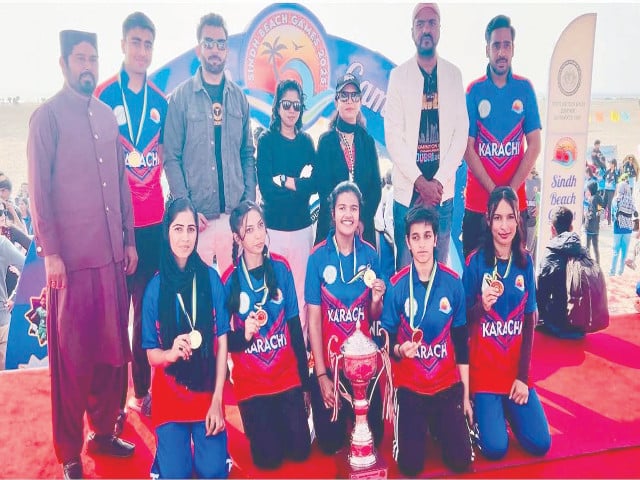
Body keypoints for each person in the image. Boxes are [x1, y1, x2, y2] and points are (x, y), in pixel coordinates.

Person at [27, 30, 138, 479]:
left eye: (93, 57)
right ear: (63, 63)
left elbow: (122, 183)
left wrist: (129, 240)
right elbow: (37, 193)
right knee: (72, 366)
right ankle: (70, 453)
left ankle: (104, 433)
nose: (87, 65)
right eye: (80, 58)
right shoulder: (46, 118)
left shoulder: (107, 116)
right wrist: (51, 253)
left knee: (113, 360)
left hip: (112, 261)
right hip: (70, 268)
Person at [95, 11, 168, 425]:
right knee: (114, 317)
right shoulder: (104, 97)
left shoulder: (160, 101)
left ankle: (143, 392)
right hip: (115, 228)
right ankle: (113, 404)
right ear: (123, 44)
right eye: (135, 42)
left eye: (148, 44)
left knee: (145, 315)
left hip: (153, 226)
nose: (142, 51)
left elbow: (168, 162)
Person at [142, 198, 230, 478]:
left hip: (205, 393)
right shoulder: (154, 288)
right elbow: (151, 355)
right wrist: (169, 354)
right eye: (178, 229)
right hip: (169, 398)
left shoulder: (210, 279)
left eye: (191, 229)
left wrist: (217, 400)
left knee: (214, 471)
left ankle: (216, 451)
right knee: (175, 475)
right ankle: (166, 452)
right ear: (167, 231)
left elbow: (222, 345)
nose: (185, 237)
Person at [381, 206, 472, 476]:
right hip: (411, 387)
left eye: (427, 236)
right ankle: (421, 424)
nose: (422, 244)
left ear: (436, 239)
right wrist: (399, 348)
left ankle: (438, 424)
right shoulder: (397, 286)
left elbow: (461, 343)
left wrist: (465, 397)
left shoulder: (453, 284)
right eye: (415, 237)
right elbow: (385, 339)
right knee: (410, 467)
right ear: (407, 242)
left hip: (445, 384)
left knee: (461, 461)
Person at [164, 13, 256, 274]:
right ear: (198, 48)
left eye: (220, 43)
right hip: (198, 222)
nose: (215, 50)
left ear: (227, 49)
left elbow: (247, 154)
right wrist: (186, 208)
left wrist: (247, 206)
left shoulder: (239, 98)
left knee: (236, 295)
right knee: (197, 294)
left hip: (233, 219)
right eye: (209, 43)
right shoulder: (181, 98)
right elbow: (172, 157)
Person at [463, 186, 550, 460]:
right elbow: (459, 325)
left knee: (540, 444)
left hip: (514, 375)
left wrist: (523, 378)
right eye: (497, 218)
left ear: (518, 220)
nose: (504, 226)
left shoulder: (525, 263)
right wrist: (481, 307)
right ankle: (487, 411)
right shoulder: (475, 263)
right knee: (495, 449)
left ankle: (508, 411)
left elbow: (529, 322)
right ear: (488, 220)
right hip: (485, 376)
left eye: (510, 217)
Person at [221, 201, 311, 469]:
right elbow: (223, 341)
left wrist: (304, 384)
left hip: (285, 377)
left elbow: (295, 326)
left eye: (261, 225)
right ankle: (260, 424)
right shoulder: (229, 280)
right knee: (268, 461)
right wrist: (244, 336)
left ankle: (291, 420)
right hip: (252, 384)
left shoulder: (281, 269)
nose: (258, 235)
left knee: (300, 452)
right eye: (249, 230)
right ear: (238, 238)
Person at [384, 2, 468, 270]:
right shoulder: (398, 77)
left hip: (441, 196)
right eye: (420, 24)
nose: (426, 30)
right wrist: (421, 183)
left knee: (438, 270)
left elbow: (460, 134)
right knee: (405, 271)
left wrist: (437, 184)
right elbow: (393, 138)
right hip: (408, 195)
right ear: (412, 32)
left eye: (431, 23)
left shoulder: (453, 76)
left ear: (440, 30)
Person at [305, 181, 386, 454]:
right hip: (331, 365)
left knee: (377, 435)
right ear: (332, 213)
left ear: (359, 214)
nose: (348, 214)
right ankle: (325, 413)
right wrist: (321, 375)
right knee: (330, 444)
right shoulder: (317, 258)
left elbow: (374, 316)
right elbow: (314, 322)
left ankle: (356, 409)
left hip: (363, 365)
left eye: (353, 208)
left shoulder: (371, 255)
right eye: (342, 208)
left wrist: (376, 300)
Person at [462, 15, 541, 259]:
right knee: (475, 286)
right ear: (487, 49)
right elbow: (468, 149)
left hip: (515, 207)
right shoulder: (474, 91)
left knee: (513, 280)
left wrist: (509, 193)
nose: (501, 51)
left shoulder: (525, 88)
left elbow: (535, 145)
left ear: (513, 49)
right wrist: (495, 192)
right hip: (477, 206)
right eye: (496, 45)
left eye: (506, 45)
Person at [256, 79, 316, 338]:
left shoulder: (306, 142)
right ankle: (277, 345)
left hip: (302, 228)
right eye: (286, 104)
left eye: (296, 105)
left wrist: (284, 180)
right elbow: (266, 189)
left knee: (302, 290)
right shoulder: (267, 141)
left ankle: (302, 350)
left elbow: (315, 184)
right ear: (277, 107)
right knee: (275, 288)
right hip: (275, 230)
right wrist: (298, 187)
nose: (292, 110)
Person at [313, 73, 381, 247]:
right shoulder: (326, 141)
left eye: (354, 95)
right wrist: (341, 222)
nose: (349, 101)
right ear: (336, 102)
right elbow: (323, 188)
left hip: (362, 229)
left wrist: (361, 220)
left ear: (360, 101)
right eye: (344, 95)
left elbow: (375, 188)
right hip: (331, 227)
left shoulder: (367, 141)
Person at [537, 207, 588, 339]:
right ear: (571, 227)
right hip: (582, 325)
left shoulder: (550, 254)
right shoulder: (582, 251)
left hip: (559, 326)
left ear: (552, 229)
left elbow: (541, 296)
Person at [0, 235, 25, 370]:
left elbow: (27, 268)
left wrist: (15, 297)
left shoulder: (2, 244)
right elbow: (28, 267)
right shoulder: (2, 243)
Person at [610, 181, 635, 276]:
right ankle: (620, 272)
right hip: (628, 229)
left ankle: (612, 272)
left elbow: (613, 214)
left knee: (615, 251)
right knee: (624, 252)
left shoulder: (615, 200)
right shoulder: (631, 200)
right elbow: (634, 212)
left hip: (617, 228)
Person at [374, 170, 395, 280]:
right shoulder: (391, 192)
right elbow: (388, 219)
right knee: (386, 273)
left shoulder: (385, 192)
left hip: (384, 235)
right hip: (385, 236)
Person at [585, 181, 604, 264]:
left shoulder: (592, 199)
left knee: (587, 247)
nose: (588, 191)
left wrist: (586, 215)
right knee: (596, 247)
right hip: (596, 227)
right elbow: (600, 211)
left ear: (591, 189)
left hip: (589, 226)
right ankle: (598, 263)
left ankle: (588, 263)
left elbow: (592, 214)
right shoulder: (599, 198)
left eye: (588, 189)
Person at [524, 166, 540, 263]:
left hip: (532, 221)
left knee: (530, 250)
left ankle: (529, 272)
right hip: (521, 219)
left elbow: (542, 197)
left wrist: (539, 206)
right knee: (520, 247)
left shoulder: (538, 181)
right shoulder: (521, 179)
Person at [603, 158, 619, 225]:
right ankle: (600, 219)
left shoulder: (616, 173)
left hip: (611, 191)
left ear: (614, 164)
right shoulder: (607, 171)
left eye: (611, 163)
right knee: (603, 204)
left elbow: (617, 183)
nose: (610, 164)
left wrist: (615, 192)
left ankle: (609, 221)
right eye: (609, 163)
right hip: (606, 190)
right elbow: (604, 178)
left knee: (609, 206)